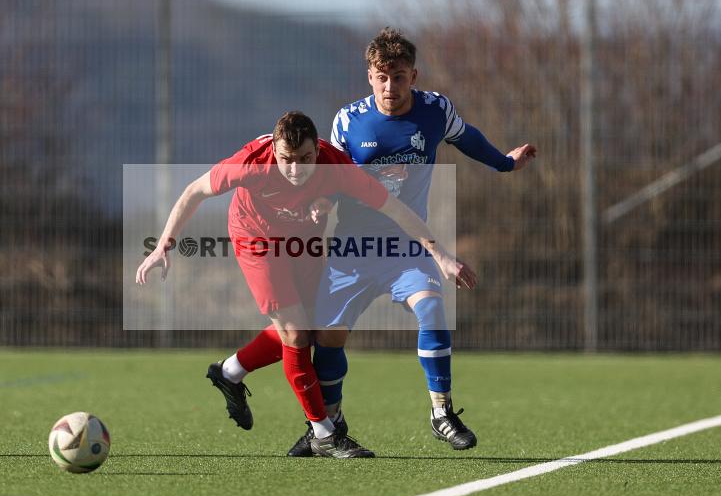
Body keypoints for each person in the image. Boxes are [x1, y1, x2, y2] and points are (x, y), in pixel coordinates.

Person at [210, 28, 537, 456]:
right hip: (352, 251)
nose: (390, 86)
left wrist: (503, 164)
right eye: (382, 77)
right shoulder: (348, 120)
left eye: (399, 76)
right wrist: (322, 205)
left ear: (413, 75)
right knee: (321, 337)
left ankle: (441, 413)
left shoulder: (436, 110)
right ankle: (326, 426)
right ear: (369, 76)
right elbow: (331, 177)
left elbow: (467, 137)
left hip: (406, 247)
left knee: (432, 307)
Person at [136, 110, 475, 458]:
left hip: (303, 240)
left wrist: (440, 255)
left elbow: (396, 209)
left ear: (318, 149)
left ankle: (230, 372)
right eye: (287, 160)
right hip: (256, 241)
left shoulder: (337, 166)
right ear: (275, 152)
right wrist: (164, 244)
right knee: (296, 334)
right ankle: (324, 433)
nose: (295, 170)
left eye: (305, 159)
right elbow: (195, 190)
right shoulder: (251, 162)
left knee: (316, 327)